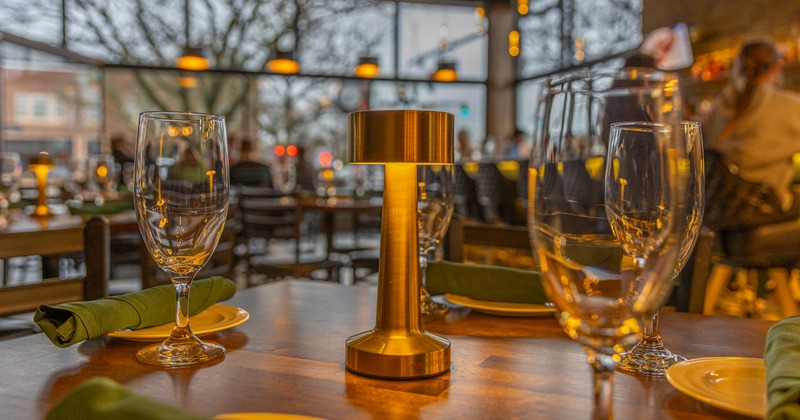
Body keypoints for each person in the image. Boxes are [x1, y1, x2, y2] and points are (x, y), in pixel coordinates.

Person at [703, 38, 800, 226]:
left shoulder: (718, 106)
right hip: (764, 206)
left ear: (736, 67)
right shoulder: (787, 106)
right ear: (775, 67)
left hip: (720, 208)